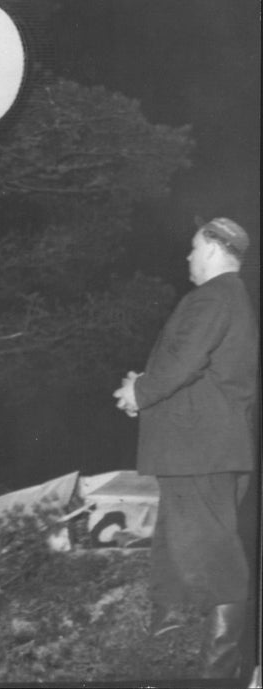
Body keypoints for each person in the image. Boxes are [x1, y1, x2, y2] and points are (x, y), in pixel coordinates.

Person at [112, 217, 259, 681]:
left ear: (215, 250)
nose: (188, 257)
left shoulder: (214, 296)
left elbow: (185, 359)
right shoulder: (227, 301)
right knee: (178, 550)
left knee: (215, 558)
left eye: (194, 248)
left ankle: (221, 673)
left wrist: (141, 392)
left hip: (202, 452)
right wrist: (146, 388)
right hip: (200, 451)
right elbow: (197, 372)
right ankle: (169, 649)